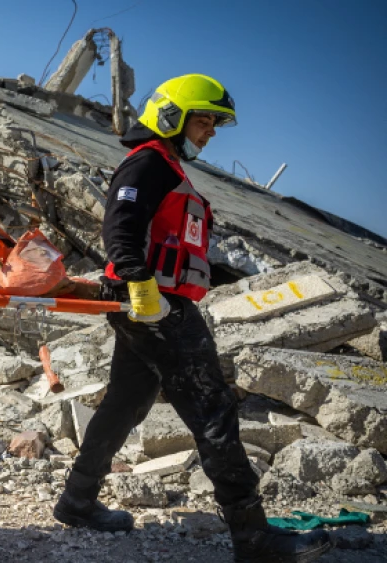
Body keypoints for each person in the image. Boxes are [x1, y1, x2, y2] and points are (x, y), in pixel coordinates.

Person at [52, 75, 333, 563]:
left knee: (125, 403)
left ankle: (77, 500)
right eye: (205, 120)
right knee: (214, 412)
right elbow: (120, 229)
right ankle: (254, 539)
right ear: (173, 117)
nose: (212, 132)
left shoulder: (163, 166)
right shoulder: (148, 164)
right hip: (157, 307)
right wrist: (142, 288)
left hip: (151, 306)